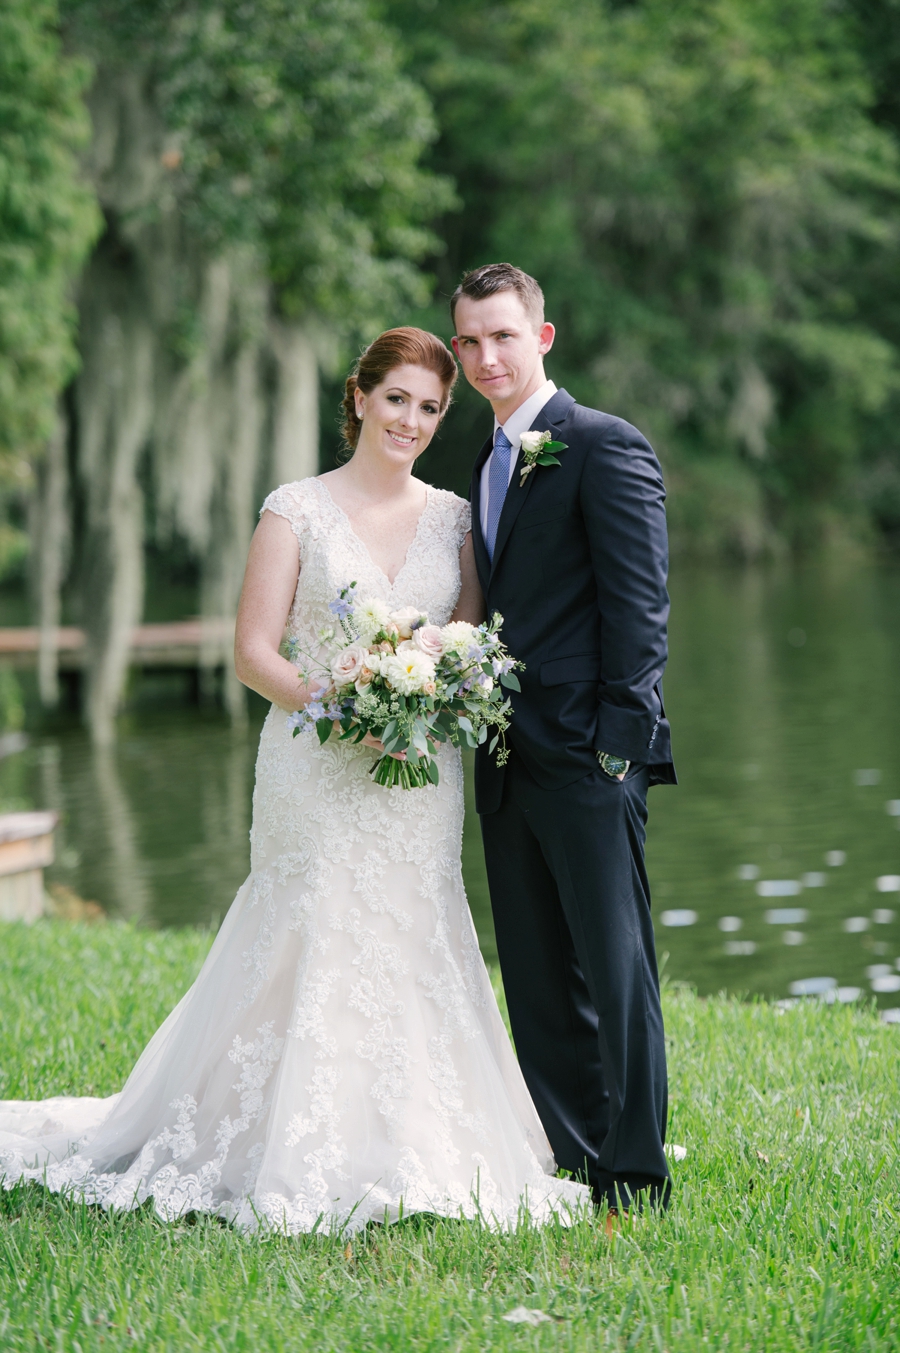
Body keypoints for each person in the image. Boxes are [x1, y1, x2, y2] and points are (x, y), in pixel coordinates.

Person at [0, 326, 588, 1234]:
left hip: (418, 770)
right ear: (359, 398)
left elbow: (467, 641)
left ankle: (412, 1136)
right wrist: (342, 708)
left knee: (415, 924)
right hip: (313, 763)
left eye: (432, 407)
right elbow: (251, 651)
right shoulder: (295, 510)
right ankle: (264, 1139)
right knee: (309, 923)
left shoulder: (452, 517)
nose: (414, 420)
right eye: (397, 398)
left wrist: (421, 706)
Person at [451, 263, 677, 1217]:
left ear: (542, 338)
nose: (485, 356)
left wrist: (618, 748)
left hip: (588, 757)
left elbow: (641, 610)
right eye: (468, 342)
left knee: (615, 968)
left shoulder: (600, 445)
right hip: (504, 762)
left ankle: (638, 1173)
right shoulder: (485, 462)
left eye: (502, 335)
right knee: (540, 975)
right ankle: (577, 1161)